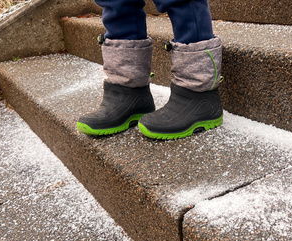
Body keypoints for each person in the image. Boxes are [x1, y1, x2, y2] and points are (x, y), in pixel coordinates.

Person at [76, 0, 223, 140]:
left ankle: (198, 94)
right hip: (127, 90)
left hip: (197, 95)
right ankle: (128, 90)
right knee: (117, 2)